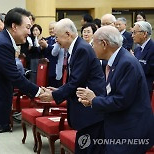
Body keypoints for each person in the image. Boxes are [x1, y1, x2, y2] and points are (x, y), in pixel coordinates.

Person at [0, 7, 44, 154]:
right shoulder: (3, 44)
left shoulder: (2, 40)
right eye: (27, 27)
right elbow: (15, 76)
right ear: (14, 26)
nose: (29, 32)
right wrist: (39, 92)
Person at [76, 25, 154, 154]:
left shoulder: (126, 63)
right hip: (119, 124)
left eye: (93, 43)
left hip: (130, 131)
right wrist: (92, 101)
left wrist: (94, 100)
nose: (92, 47)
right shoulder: (116, 61)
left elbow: (121, 101)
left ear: (104, 44)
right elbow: (113, 93)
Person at [39, 18, 106, 154]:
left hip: (90, 112)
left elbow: (76, 82)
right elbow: (75, 80)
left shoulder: (82, 49)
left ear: (68, 34)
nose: (56, 40)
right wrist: (58, 90)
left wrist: (53, 95)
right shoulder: (76, 48)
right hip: (84, 110)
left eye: (57, 37)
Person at [132, 21, 154, 98]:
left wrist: (133, 62)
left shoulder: (152, 48)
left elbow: (149, 69)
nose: (132, 36)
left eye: (134, 33)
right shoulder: (137, 49)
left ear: (144, 34)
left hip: (147, 89)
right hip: (136, 86)